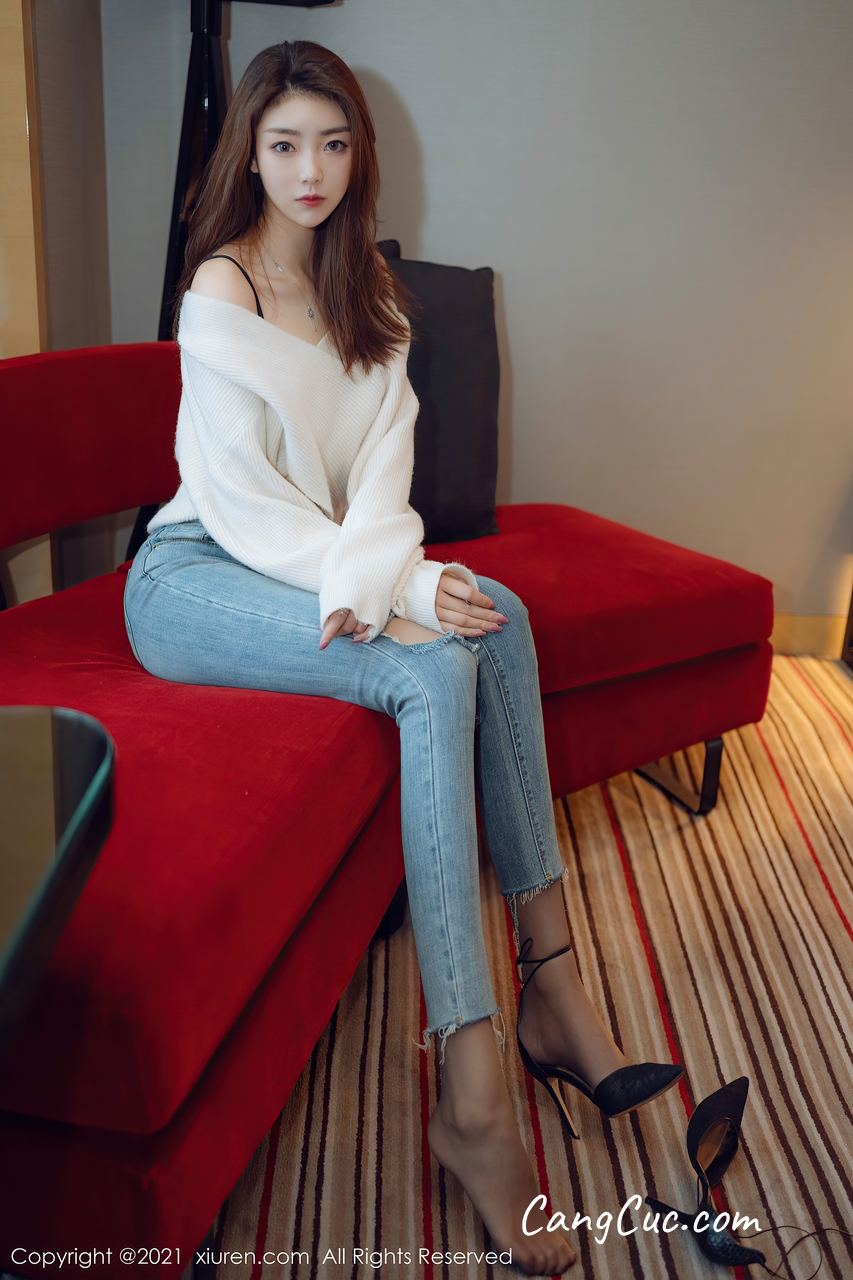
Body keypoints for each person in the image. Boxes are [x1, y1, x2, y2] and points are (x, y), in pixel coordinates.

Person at [124, 40, 681, 1274]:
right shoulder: (220, 287)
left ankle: (551, 984)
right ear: (249, 155)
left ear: (357, 155)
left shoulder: (363, 286)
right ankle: (471, 1097)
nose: (308, 170)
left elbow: (382, 474)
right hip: (197, 576)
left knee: (503, 618)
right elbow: (248, 507)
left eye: (331, 144)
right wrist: (412, 589)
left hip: (318, 560)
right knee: (434, 663)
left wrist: (408, 573)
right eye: (283, 145)